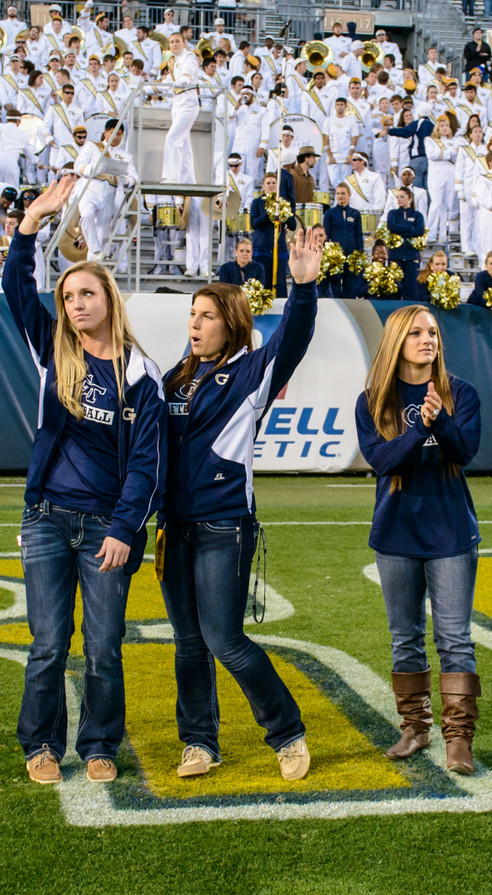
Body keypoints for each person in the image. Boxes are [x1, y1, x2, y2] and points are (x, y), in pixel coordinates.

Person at [5, 178, 164, 785]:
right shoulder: (54, 352)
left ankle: (99, 743)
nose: (75, 304)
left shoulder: (140, 372)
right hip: (47, 520)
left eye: (86, 293)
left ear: (109, 299)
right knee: (48, 643)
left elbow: (148, 464)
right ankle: (39, 745)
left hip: (106, 530)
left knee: (103, 647)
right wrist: (30, 225)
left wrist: (125, 529)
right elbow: (16, 291)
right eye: (68, 295)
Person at [157, 247, 325, 783]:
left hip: (224, 526)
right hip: (174, 530)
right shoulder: (172, 381)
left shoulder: (252, 372)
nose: (195, 324)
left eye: (207, 316)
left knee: (225, 639)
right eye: (192, 315)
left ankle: (287, 732)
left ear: (231, 324)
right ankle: (199, 743)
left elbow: (293, 340)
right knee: (187, 643)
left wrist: (302, 288)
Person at [357, 303, 484, 774]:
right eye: (416, 333)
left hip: (451, 534)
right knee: (405, 638)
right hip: (395, 535)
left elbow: (465, 451)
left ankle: (459, 738)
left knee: (454, 638)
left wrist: (442, 421)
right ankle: (416, 726)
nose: (427, 339)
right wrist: (420, 427)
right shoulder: (372, 399)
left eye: (432, 332)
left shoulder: (462, 393)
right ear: (396, 342)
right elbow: (384, 460)